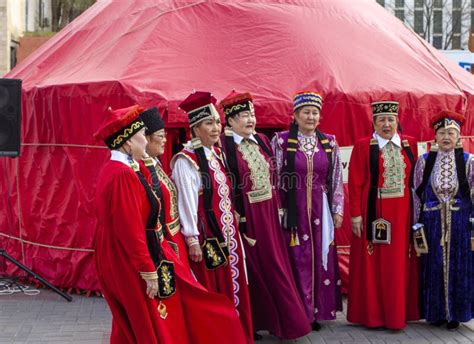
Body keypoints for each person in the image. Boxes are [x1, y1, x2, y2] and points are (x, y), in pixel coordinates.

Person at [94, 105, 246, 343]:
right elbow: (130, 229)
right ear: (126, 142)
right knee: (150, 316)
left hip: (126, 253)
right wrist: (148, 270)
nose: (145, 142)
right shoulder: (122, 174)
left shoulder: (117, 169)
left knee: (136, 318)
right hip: (129, 256)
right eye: (142, 136)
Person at [220, 91, 311, 339]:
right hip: (249, 216)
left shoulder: (260, 139)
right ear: (229, 121)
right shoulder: (224, 147)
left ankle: (288, 322)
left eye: (252, 114)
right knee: (257, 269)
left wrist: (281, 207)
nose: (250, 120)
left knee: (277, 266)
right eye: (243, 116)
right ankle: (257, 322)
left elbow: (275, 177)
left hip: (269, 212)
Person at [171, 91, 253, 343]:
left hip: (229, 236)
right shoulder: (186, 161)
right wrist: (192, 239)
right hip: (208, 239)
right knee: (215, 293)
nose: (216, 127)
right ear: (195, 128)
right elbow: (187, 202)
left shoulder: (216, 154)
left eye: (217, 121)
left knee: (232, 287)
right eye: (209, 123)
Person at [271, 91, 344, 330]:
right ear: (295, 115)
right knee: (298, 258)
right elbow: (276, 177)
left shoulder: (330, 142)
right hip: (294, 208)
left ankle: (318, 310)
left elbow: (335, 178)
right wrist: (279, 209)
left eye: (315, 113)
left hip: (321, 209)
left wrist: (337, 209)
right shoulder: (281, 141)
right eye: (306, 112)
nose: (311, 117)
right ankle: (300, 312)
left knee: (320, 255)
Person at [347, 101, 419, 330]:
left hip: (403, 214)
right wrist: (356, 215)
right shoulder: (363, 146)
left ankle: (398, 314)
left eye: (391, 119)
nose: (387, 124)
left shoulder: (409, 144)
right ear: (374, 123)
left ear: (398, 121)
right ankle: (375, 316)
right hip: (374, 214)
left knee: (399, 265)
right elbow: (356, 183)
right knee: (374, 265)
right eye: (381, 120)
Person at [413, 110, 474, 330]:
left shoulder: (469, 162)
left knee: (459, 266)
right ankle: (436, 312)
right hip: (432, 223)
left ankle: (456, 313)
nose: (446, 137)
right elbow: (416, 194)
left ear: (459, 136)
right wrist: (416, 225)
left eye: (451, 132)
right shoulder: (424, 161)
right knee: (434, 266)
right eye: (442, 132)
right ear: (435, 136)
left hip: (459, 223)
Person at [140, 107, 190, 269]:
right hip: (165, 240)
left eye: (165, 136)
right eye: (160, 136)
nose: (164, 140)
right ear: (145, 138)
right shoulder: (142, 170)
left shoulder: (155, 164)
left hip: (175, 237)